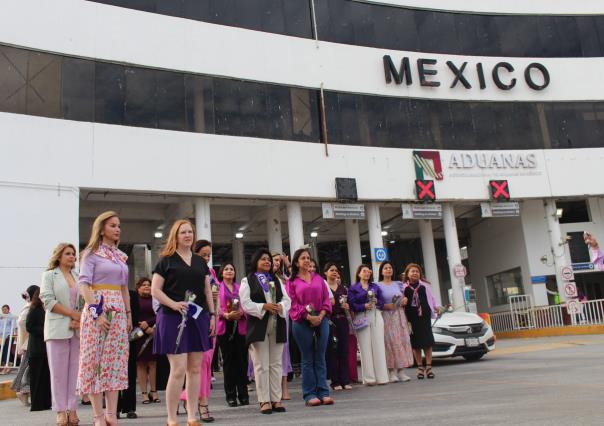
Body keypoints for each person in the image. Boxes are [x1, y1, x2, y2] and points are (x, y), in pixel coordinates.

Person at [151, 220, 216, 426]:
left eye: (190, 232)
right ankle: (171, 418)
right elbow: (155, 290)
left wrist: (213, 315)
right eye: (183, 232)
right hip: (172, 318)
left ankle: (192, 415)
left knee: (195, 368)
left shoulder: (200, 261)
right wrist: (174, 304)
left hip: (198, 317)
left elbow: (207, 291)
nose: (187, 235)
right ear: (175, 236)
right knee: (178, 369)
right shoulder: (166, 260)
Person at [77, 211, 131, 426]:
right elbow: (84, 285)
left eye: (118, 225)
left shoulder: (121, 256)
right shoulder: (91, 254)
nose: (117, 229)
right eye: (112, 225)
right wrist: (96, 314)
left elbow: (124, 288)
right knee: (94, 361)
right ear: (101, 229)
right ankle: (98, 416)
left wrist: (128, 315)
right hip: (97, 310)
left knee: (115, 362)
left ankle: (111, 414)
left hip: (118, 310)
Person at [240, 248, 290, 415]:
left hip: (277, 323)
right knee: (261, 365)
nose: (267, 262)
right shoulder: (248, 280)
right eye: (263, 259)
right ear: (256, 262)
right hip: (259, 325)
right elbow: (245, 303)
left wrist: (279, 306)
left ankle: (276, 399)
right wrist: (263, 307)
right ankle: (264, 400)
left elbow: (286, 299)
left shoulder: (277, 280)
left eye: (269, 259)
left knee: (276, 364)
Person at [40, 243, 82, 425]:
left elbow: (83, 301)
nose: (72, 256)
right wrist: (71, 314)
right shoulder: (49, 275)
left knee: (74, 372)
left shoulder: (78, 276)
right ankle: (60, 410)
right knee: (58, 372)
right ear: (59, 256)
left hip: (77, 329)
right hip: (57, 329)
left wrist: (78, 317)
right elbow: (47, 300)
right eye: (68, 253)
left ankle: (72, 408)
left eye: (73, 254)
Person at [289, 248, 334, 407]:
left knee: (320, 356)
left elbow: (326, 301)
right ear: (296, 262)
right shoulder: (292, 282)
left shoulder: (319, 279)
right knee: (307, 358)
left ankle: (324, 392)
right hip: (301, 322)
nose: (307, 260)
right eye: (303, 258)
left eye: (308, 257)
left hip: (321, 320)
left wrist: (320, 316)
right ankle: (309, 394)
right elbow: (293, 304)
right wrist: (308, 317)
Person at [178, 239, 216, 422]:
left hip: (209, 319)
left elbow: (214, 297)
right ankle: (197, 403)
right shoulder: (190, 270)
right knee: (196, 365)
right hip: (192, 318)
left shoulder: (211, 273)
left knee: (207, 364)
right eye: (203, 255)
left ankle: (200, 400)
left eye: (209, 255)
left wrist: (215, 316)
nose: (207, 258)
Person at [348, 264, 388, 386]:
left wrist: (377, 302)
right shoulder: (353, 288)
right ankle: (369, 378)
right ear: (359, 273)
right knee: (365, 348)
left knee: (379, 346)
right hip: (361, 316)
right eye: (364, 271)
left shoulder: (375, 286)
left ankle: (382, 378)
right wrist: (363, 306)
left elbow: (382, 302)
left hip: (375, 315)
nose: (367, 273)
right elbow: (352, 304)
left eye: (368, 271)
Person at [216, 263, 249, 407]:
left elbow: (246, 304)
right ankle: (230, 395)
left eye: (232, 269)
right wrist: (225, 315)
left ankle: (243, 394)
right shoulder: (217, 287)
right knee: (229, 362)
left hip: (240, 325)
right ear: (221, 273)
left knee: (242, 361)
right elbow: (215, 306)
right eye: (226, 269)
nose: (229, 271)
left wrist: (241, 312)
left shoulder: (240, 288)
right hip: (225, 325)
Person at [402, 263, 441, 380]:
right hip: (411, 319)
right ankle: (420, 367)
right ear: (407, 274)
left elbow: (433, 299)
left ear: (420, 274)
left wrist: (437, 307)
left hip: (424, 316)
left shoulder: (425, 286)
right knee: (416, 344)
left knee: (428, 342)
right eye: (412, 271)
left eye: (417, 271)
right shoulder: (403, 287)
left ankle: (429, 367)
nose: (415, 273)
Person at [377, 261, 413, 383]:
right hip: (387, 316)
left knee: (402, 341)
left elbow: (403, 298)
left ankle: (401, 370)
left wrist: (404, 300)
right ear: (381, 271)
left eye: (390, 268)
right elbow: (378, 303)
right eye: (385, 268)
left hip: (399, 315)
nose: (388, 270)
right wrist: (388, 306)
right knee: (390, 342)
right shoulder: (378, 285)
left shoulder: (398, 284)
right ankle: (391, 371)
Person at [324, 263, 351, 391]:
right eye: (331, 270)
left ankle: (345, 380)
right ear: (325, 273)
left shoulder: (343, 289)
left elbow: (348, 304)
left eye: (336, 270)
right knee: (332, 351)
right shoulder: (324, 287)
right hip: (330, 321)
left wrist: (347, 307)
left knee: (344, 350)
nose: (334, 272)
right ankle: (335, 381)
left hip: (343, 320)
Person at [25, 286, 52, 411]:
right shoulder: (34, 310)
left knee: (45, 377)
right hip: (36, 349)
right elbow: (29, 327)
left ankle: (46, 402)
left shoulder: (42, 309)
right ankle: (37, 404)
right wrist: (44, 331)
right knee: (37, 378)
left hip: (44, 348)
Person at [134, 278, 159, 405]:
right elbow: (133, 314)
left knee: (153, 364)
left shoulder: (155, 298)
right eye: (143, 285)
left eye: (149, 285)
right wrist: (143, 327)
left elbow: (159, 314)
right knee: (141, 364)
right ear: (138, 287)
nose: (146, 287)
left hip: (153, 333)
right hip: (138, 334)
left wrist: (149, 326)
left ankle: (154, 392)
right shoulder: (135, 299)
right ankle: (144, 393)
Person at [11, 286, 37, 406]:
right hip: (29, 343)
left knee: (27, 368)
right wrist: (30, 331)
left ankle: (24, 392)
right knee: (28, 369)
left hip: (29, 342)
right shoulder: (29, 308)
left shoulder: (30, 306)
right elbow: (21, 322)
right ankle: (23, 391)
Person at [272, 252, 292, 400]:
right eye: (274, 260)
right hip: (266, 317)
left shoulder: (284, 279)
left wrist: (288, 263)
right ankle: (272, 388)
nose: (276, 263)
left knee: (284, 352)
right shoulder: (258, 277)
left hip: (282, 317)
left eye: (279, 261)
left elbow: (295, 278)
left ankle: (284, 386)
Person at [117, 288, 140, 419]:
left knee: (130, 372)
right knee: (112, 372)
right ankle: (114, 408)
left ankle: (130, 407)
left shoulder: (132, 295)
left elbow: (136, 318)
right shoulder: (105, 293)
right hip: (110, 337)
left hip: (129, 337)